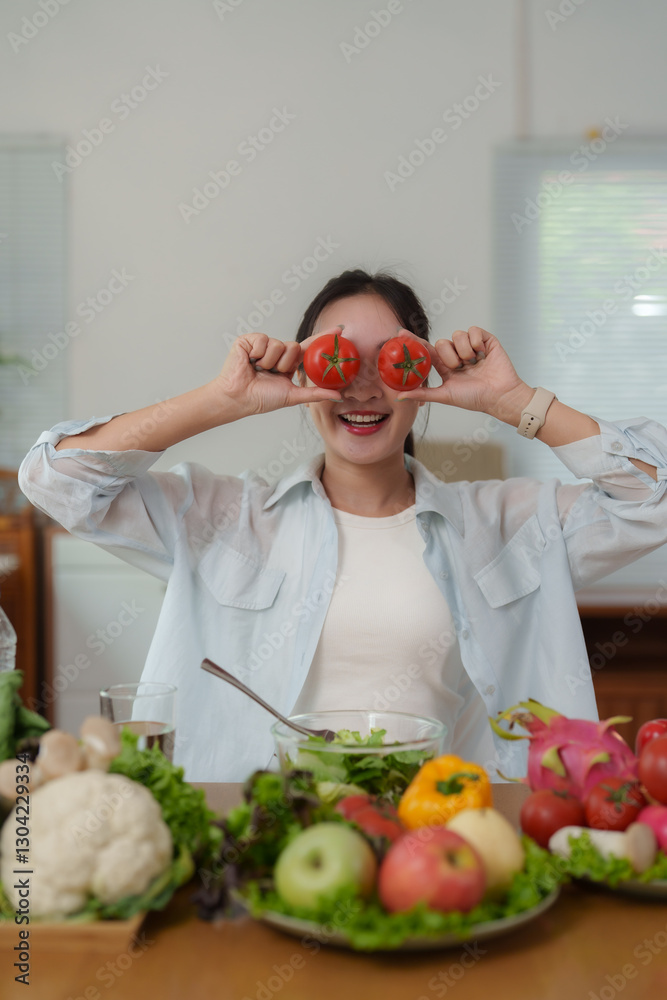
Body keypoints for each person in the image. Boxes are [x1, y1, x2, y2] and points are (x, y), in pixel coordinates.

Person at [18, 269, 667, 781]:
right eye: (336, 358)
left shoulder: (502, 524)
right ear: (302, 371)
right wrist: (223, 401)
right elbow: (56, 479)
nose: (360, 387)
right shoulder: (223, 518)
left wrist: (513, 402)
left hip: (439, 837)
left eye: (388, 361)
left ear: (421, 374)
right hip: (261, 843)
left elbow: (650, 498)